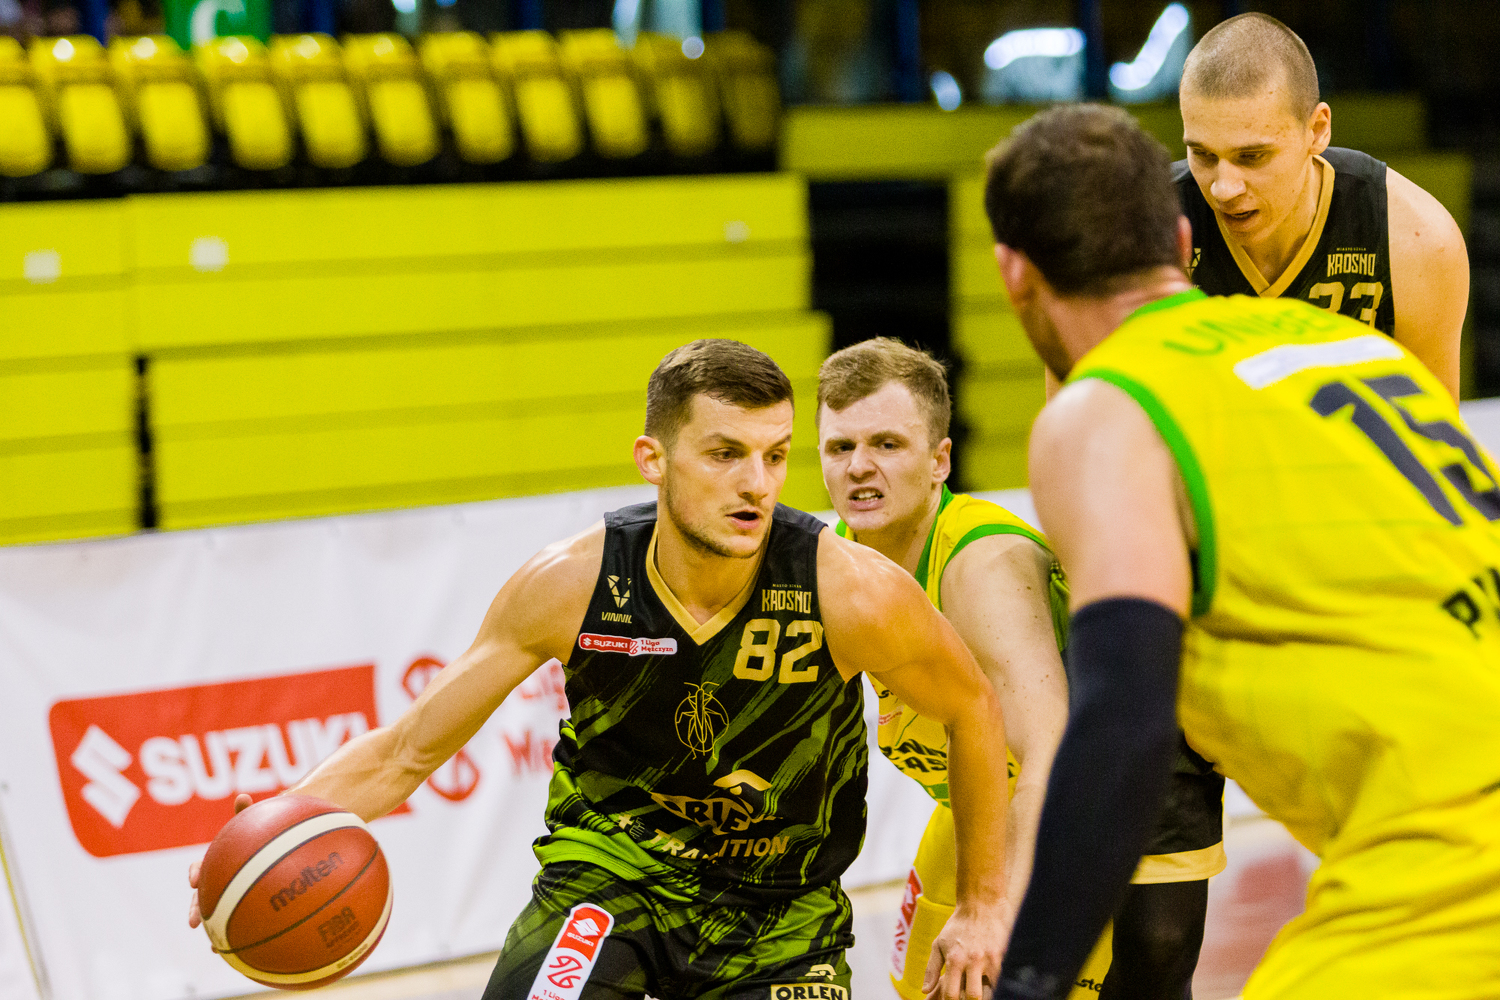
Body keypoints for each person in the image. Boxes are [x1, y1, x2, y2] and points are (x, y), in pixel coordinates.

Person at [187, 339, 1012, 1000]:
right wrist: (274, 832)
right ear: (653, 458)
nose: (755, 484)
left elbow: (973, 708)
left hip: (781, 913)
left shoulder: (849, 590)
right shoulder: (572, 584)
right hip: (611, 879)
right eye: (725, 454)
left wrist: (981, 903)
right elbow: (408, 749)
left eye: (773, 456)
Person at [986, 103, 1500, 1000]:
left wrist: (1028, 981)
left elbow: (1122, 724)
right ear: (1182, 240)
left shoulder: (1106, 410)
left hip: (1451, 868)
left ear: (1013, 272)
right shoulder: (1348, 342)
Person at [814, 337, 1112, 1000]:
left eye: (887, 444)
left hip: (1071, 811)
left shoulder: (983, 567)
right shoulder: (834, 560)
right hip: (972, 805)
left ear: (940, 461)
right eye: (840, 447)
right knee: (914, 986)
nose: (859, 467)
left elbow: (1052, 753)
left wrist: (993, 906)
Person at [1177, 12, 1468, 399]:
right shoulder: (1145, 229)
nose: (1224, 188)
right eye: (1203, 154)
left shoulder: (1418, 240)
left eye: (1252, 156)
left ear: (1317, 130)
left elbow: (1430, 429)